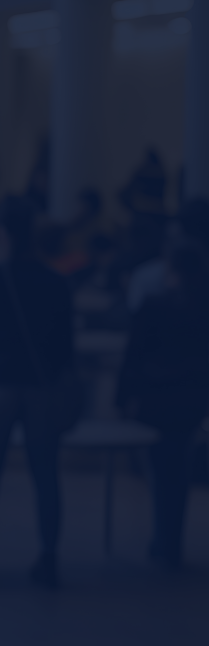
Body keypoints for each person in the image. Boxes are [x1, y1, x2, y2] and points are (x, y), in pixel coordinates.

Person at [0, 197, 75, 587]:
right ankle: (48, 558)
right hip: (41, 387)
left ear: (2, 234)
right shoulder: (56, 282)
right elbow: (65, 345)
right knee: (46, 474)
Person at [117, 244, 209, 569]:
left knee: (160, 468)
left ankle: (164, 540)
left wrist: (121, 398)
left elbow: (133, 354)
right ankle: (170, 540)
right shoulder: (203, 308)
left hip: (157, 398)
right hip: (193, 399)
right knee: (179, 466)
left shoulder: (153, 305)